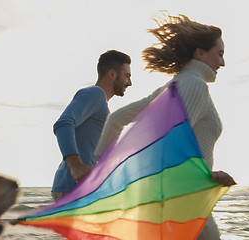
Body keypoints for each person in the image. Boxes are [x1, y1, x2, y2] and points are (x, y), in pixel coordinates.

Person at [93, 14, 235, 239]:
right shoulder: (194, 85)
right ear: (200, 52)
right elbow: (169, 143)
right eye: (219, 54)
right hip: (183, 203)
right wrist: (209, 175)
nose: (223, 62)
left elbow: (117, 118)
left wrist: (101, 167)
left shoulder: (171, 86)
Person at [51, 50, 132, 201]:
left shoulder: (102, 107)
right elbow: (63, 123)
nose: (129, 83)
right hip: (73, 188)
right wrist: (76, 167)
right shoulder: (95, 94)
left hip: (83, 190)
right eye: (127, 76)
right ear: (112, 74)